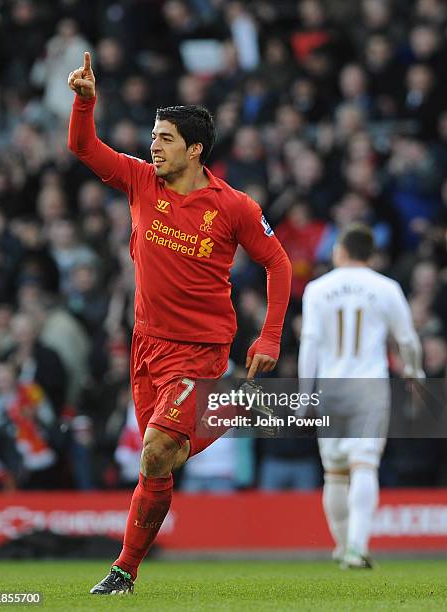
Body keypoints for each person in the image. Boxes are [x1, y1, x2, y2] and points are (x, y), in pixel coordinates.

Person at [67, 52, 291, 595]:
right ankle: (232, 403)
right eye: (153, 136)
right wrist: (85, 102)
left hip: (200, 351)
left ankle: (124, 569)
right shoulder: (142, 182)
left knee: (157, 449)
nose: (153, 145)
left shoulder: (232, 205)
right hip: (147, 347)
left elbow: (278, 262)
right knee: (164, 460)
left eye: (165, 138)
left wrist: (270, 335)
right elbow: (83, 147)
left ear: (194, 149)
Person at [298, 223, 423, 568]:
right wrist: (414, 372)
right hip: (368, 385)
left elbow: (310, 345)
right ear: (372, 254)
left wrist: (304, 396)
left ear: (340, 250)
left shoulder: (317, 289)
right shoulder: (386, 288)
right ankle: (356, 547)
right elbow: (408, 340)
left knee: (335, 472)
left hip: (330, 386)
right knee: (364, 463)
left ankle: (342, 547)